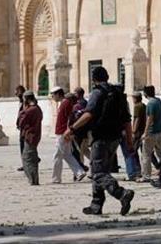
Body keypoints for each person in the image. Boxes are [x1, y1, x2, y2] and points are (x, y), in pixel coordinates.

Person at [63, 67, 135, 215]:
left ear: (93, 79)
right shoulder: (118, 94)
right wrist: (129, 140)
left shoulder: (97, 93)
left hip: (100, 137)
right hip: (115, 137)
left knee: (98, 173)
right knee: (99, 169)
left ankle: (121, 193)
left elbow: (89, 114)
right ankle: (96, 205)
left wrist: (72, 129)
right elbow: (127, 120)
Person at [50, 87, 86, 183]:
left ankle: (56, 178)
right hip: (63, 132)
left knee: (57, 155)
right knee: (67, 154)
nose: (52, 97)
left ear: (58, 94)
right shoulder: (63, 103)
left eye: (53, 95)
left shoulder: (65, 103)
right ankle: (79, 172)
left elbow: (69, 119)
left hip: (63, 132)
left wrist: (68, 132)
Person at [17, 90, 43, 186]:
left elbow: (21, 123)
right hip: (36, 135)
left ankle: (33, 180)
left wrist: (23, 110)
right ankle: (34, 179)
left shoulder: (29, 110)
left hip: (29, 136)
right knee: (31, 157)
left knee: (28, 159)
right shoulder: (37, 109)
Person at [141, 85, 161, 182]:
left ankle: (146, 175)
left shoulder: (150, 104)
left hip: (152, 132)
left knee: (146, 154)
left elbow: (149, 118)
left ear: (145, 93)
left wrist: (145, 132)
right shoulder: (159, 101)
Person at [14, 85, 26, 171]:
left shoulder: (25, 102)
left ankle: (26, 163)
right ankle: (25, 163)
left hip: (25, 129)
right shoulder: (21, 102)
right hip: (22, 128)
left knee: (24, 146)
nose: (15, 94)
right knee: (23, 146)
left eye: (16, 92)